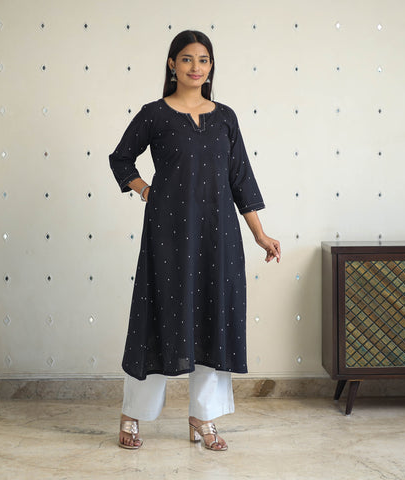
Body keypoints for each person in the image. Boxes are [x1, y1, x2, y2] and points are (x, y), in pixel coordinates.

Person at [109, 30, 281, 451]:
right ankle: (133, 414)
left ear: (211, 66)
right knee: (156, 318)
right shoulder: (154, 114)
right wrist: (146, 191)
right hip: (167, 235)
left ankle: (203, 417)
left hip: (219, 236)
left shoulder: (225, 117)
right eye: (187, 59)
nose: (195, 67)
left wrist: (259, 233)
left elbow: (240, 178)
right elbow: (121, 158)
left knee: (213, 319)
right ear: (172, 64)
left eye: (203, 60)